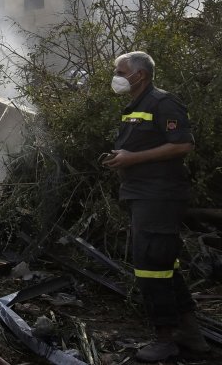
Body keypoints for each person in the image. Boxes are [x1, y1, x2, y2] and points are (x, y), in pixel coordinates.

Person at [102, 51, 209, 362]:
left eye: (121, 72)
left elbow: (183, 144)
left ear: (140, 75)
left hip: (159, 196)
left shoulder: (163, 102)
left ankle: (165, 340)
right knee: (163, 264)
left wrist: (132, 158)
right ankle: (190, 334)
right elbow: (142, 144)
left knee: (151, 267)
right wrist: (120, 156)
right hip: (141, 195)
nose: (117, 77)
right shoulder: (136, 107)